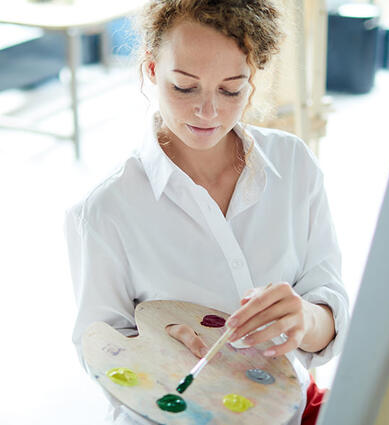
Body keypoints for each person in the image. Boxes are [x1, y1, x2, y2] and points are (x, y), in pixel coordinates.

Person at [66, 1, 349, 423]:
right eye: (184, 87)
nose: (208, 111)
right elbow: (101, 353)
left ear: (253, 79)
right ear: (151, 71)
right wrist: (158, 354)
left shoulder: (294, 166)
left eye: (231, 89)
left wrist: (303, 319)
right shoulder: (106, 211)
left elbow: (330, 313)